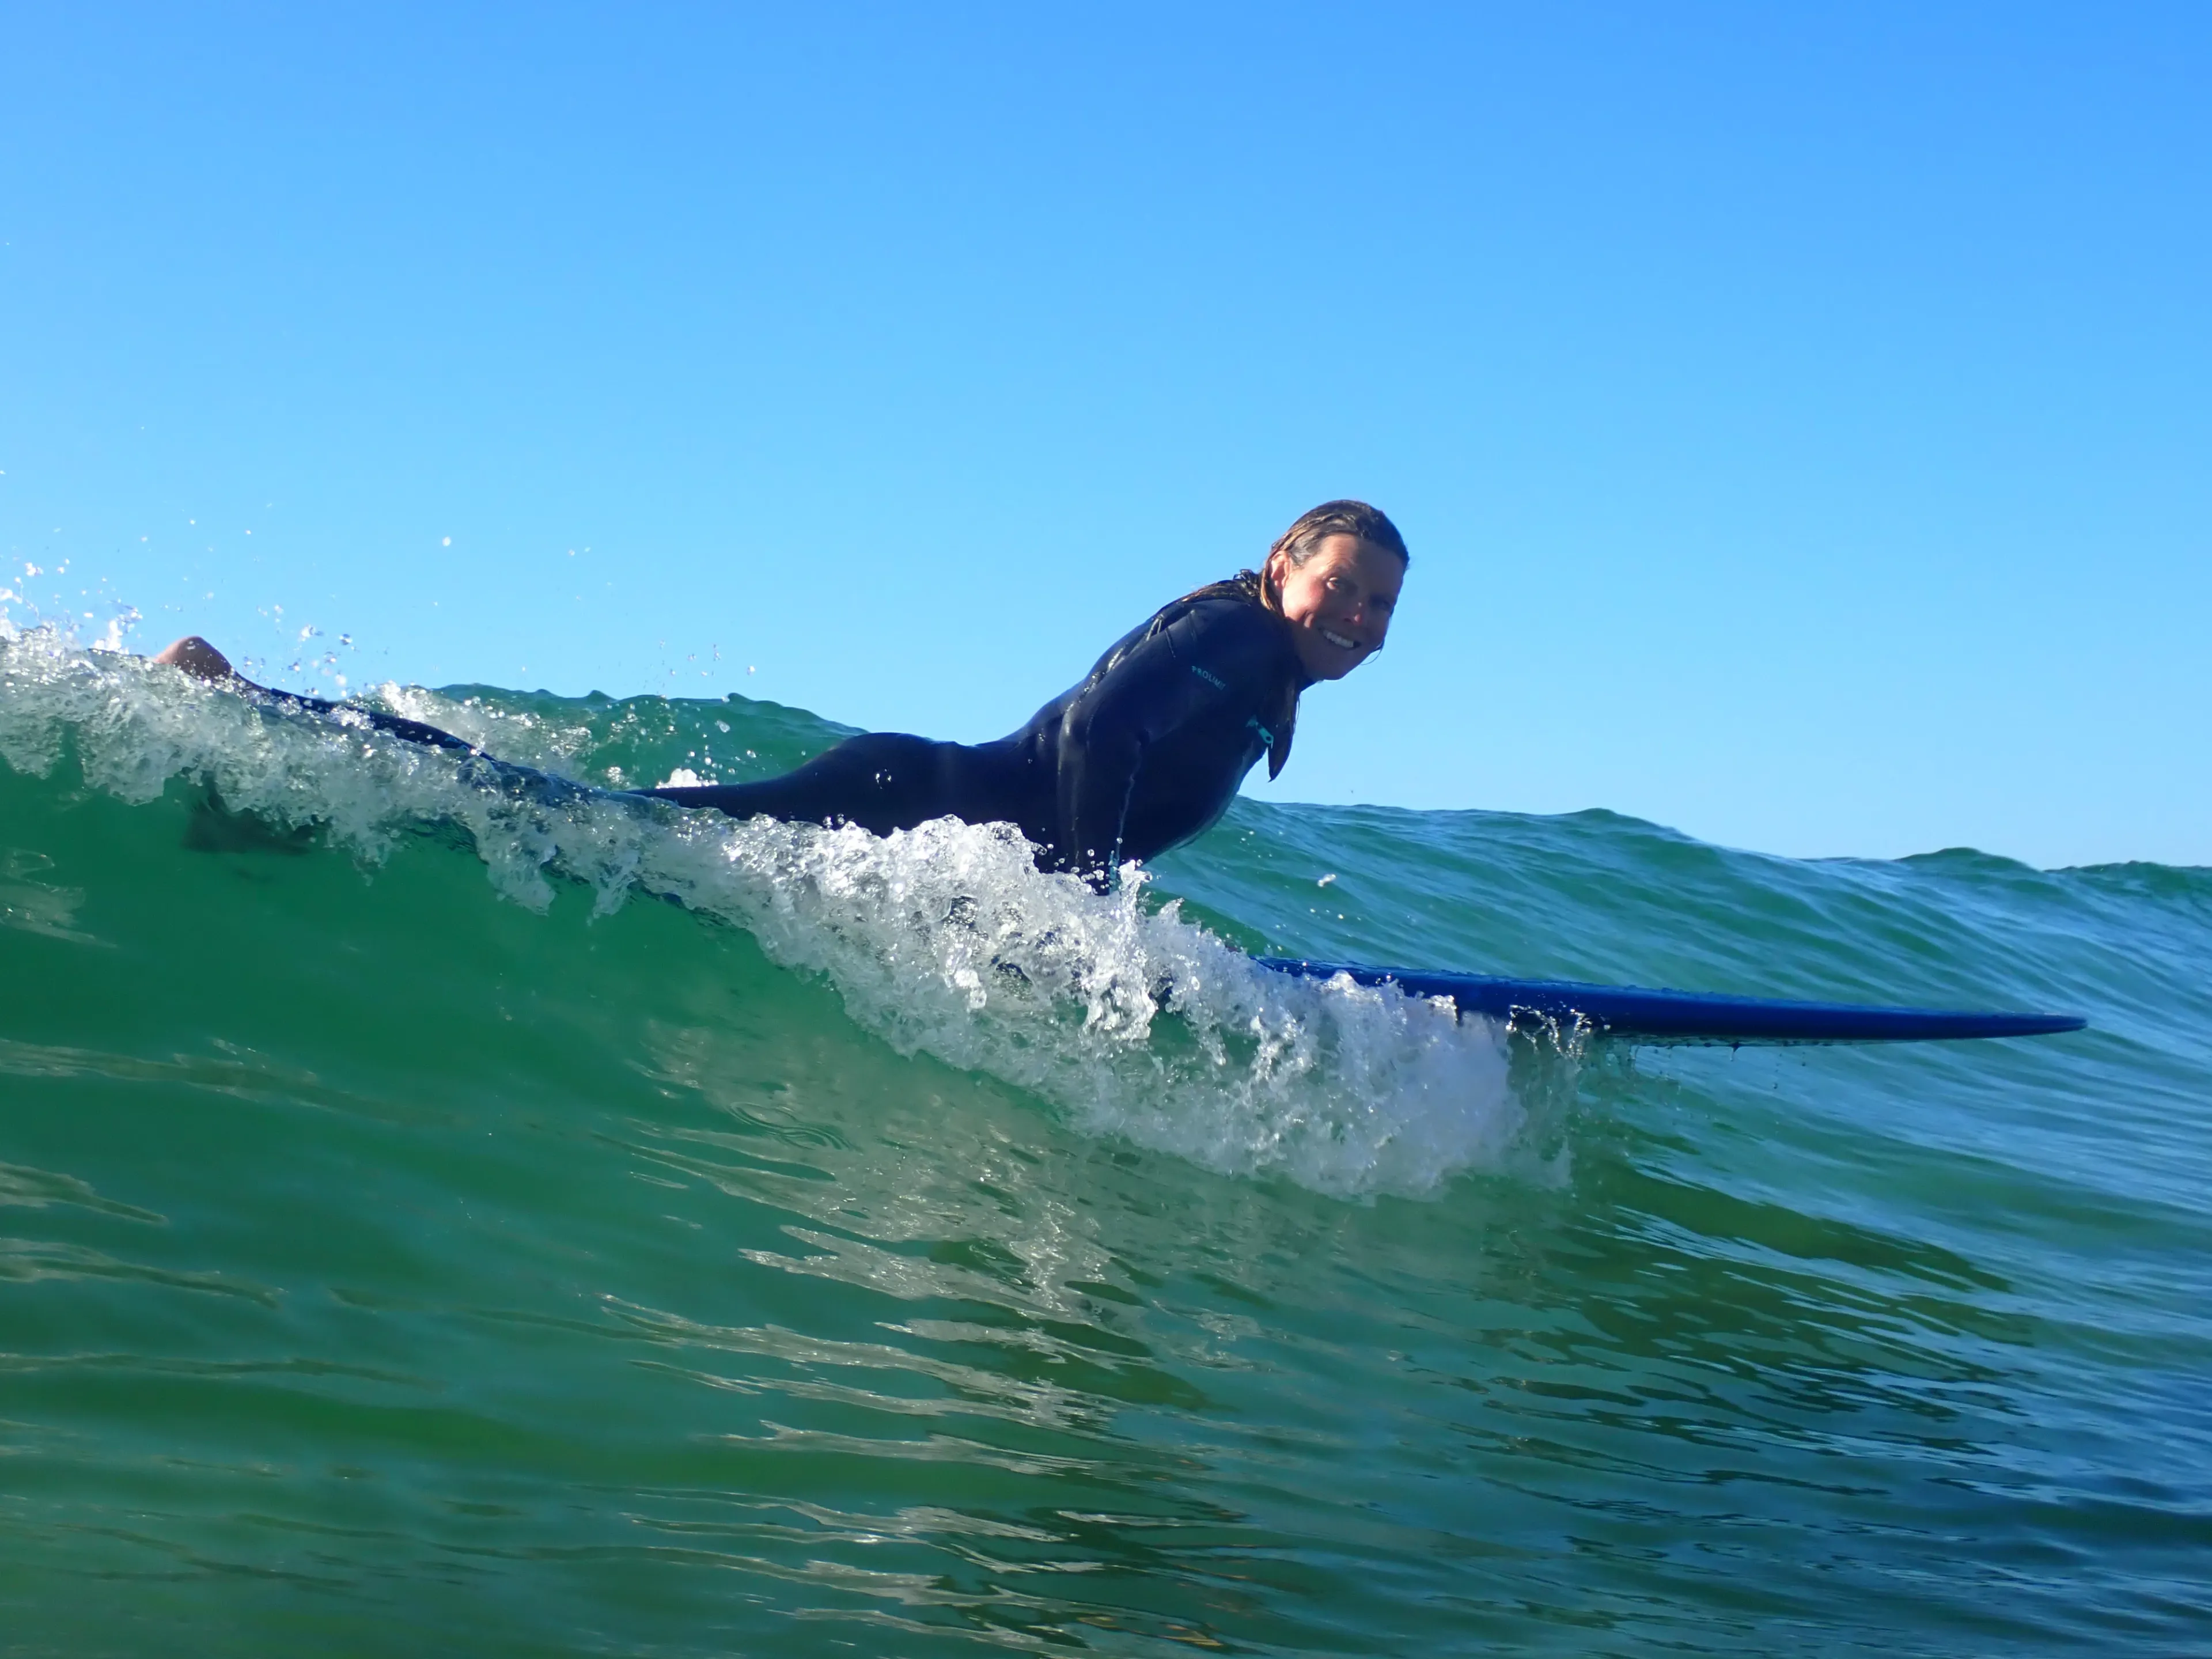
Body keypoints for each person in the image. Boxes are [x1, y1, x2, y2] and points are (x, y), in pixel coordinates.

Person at [154, 499, 1408, 882]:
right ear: (1284, 565)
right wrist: (1079, 905)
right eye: (1343, 587)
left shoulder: (1256, 665)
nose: (1357, 619)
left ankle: (274, 797)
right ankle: (249, 703)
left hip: (909, 802)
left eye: (1381, 607)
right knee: (569, 822)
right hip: (900, 803)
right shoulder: (1243, 639)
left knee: (576, 825)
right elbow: (1099, 730)